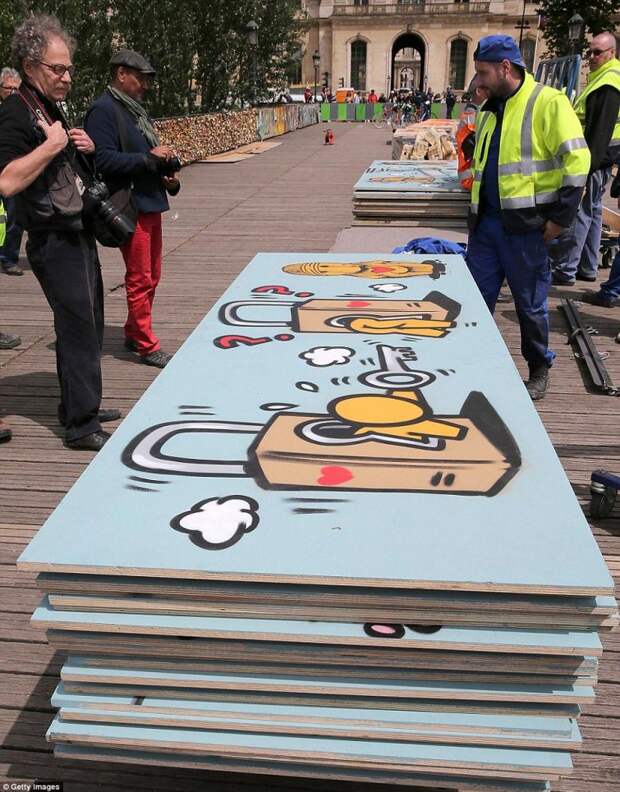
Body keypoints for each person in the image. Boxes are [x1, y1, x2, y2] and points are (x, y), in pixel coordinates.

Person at [0, 14, 120, 450]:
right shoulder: (15, 112)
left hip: (76, 230)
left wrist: (80, 147)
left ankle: (80, 405)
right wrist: (52, 145)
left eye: (69, 68)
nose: (67, 77)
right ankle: (81, 426)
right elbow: (7, 181)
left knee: (91, 323)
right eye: (58, 68)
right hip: (52, 238)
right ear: (30, 66)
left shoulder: (46, 105)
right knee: (76, 327)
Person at [467, 34, 590, 400]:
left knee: (529, 304)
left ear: (506, 67)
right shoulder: (490, 109)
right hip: (486, 226)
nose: (478, 80)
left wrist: (560, 219)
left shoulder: (547, 102)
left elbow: (577, 162)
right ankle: (470, 363)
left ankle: (538, 368)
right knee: (474, 300)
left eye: (483, 73)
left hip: (527, 228)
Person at [85, 49, 179, 369]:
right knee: (140, 277)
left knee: (153, 275)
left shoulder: (133, 110)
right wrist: (149, 159)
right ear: (121, 74)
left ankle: (133, 330)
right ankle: (146, 343)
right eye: (140, 78)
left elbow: (145, 155)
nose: (145, 85)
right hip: (130, 204)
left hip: (150, 200)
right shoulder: (103, 110)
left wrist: (167, 172)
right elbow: (103, 160)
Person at [551, 32, 620, 286]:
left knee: (580, 212)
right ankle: (588, 267)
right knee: (593, 212)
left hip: (595, 158)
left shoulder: (608, 83)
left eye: (597, 52)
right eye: (589, 51)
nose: (591, 57)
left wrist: (586, 170)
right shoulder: (604, 77)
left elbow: (599, 131)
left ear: (612, 53)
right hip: (601, 157)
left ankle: (566, 270)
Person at [0, 67, 24, 276]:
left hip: (13, 170)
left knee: (15, 216)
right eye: (9, 89)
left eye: (17, 90)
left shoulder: (22, 111)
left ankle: (9, 258)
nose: (13, 93)